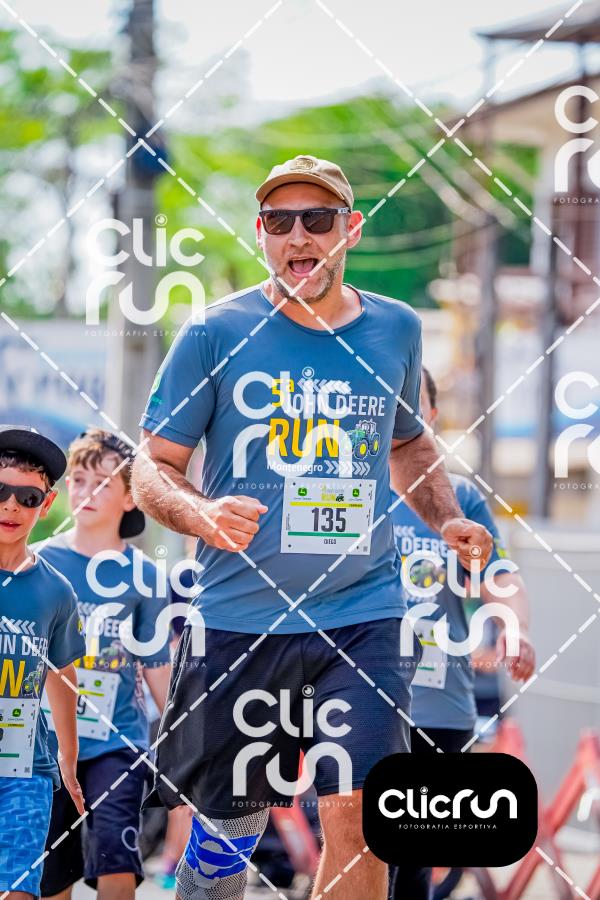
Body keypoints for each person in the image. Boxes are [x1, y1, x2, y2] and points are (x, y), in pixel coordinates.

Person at [131, 154, 494, 900]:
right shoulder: (215, 332)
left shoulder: (395, 327)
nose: (298, 236)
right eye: (279, 221)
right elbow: (153, 465)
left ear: (349, 229)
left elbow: (408, 443)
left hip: (363, 615)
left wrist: (448, 517)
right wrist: (201, 514)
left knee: (361, 817)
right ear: (261, 232)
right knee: (227, 837)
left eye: (317, 219)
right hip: (240, 622)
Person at [389, 368, 536, 900]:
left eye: (412, 406)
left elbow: (499, 577)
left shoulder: (461, 501)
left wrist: (513, 628)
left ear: (430, 416)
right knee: (357, 841)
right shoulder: (349, 497)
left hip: (439, 703)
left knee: (412, 860)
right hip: (359, 696)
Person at [37, 428, 172, 900]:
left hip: (118, 743)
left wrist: (184, 741)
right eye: (78, 479)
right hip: (46, 744)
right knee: (53, 876)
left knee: (117, 861)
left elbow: (157, 666)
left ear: (131, 498)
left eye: (102, 483)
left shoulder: (146, 576)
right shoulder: (38, 563)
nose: (86, 492)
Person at [0, 425, 85, 900]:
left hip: (26, 769)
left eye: (27, 498)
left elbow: (62, 674)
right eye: (1, 492)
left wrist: (67, 759)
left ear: (47, 504)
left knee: (19, 891)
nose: (11, 506)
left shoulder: (56, 591)